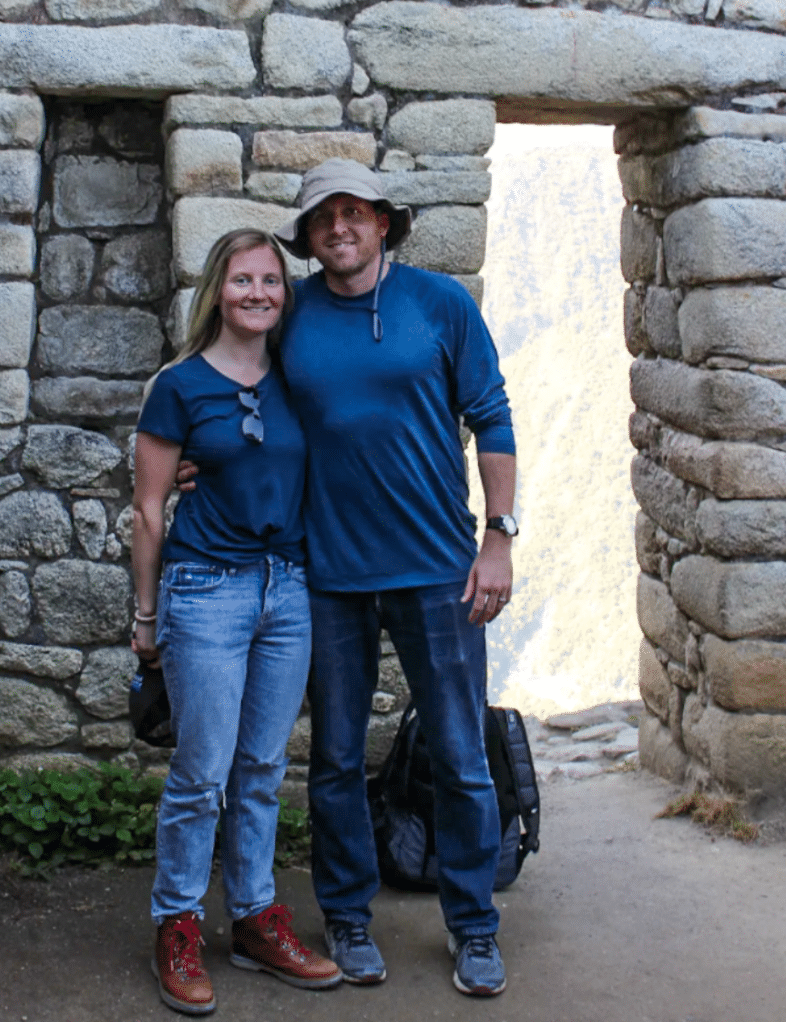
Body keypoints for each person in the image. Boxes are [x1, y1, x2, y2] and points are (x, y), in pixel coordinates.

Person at [178, 159, 518, 997]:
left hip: (440, 566)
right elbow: (235, 381)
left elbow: (493, 416)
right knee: (331, 758)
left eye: (354, 212)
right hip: (324, 573)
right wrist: (196, 457)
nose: (339, 227)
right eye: (324, 217)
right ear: (310, 234)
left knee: (460, 751)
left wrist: (499, 538)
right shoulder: (293, 315)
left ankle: (474, 926)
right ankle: (349, 918)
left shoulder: (440, 304)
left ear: (383, 222)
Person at [131, 228, 343, 1015]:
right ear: (217, 290)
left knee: (261, 770)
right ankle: (177, 925)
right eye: (243, 280)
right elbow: (149, 510)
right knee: (201, 773)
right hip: (205, 591)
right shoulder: (179, 387)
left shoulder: (298, 380)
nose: (259, 293)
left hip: (288, 592)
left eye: (272, 282)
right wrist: (146, 617)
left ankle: (255, 920)